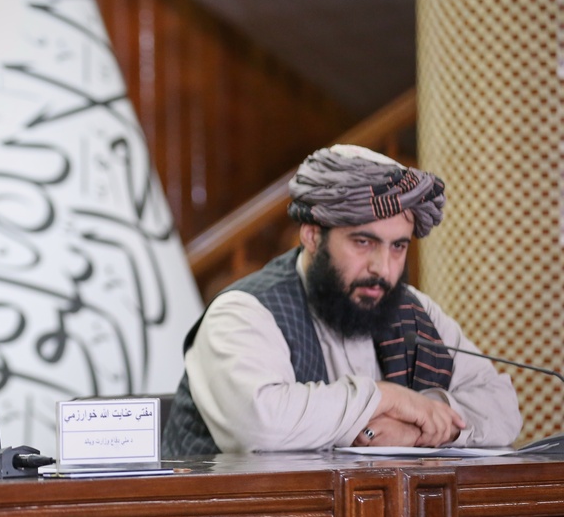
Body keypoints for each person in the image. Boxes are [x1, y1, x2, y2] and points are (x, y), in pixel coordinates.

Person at [163, 144, 522, 455]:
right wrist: (389, 398)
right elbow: (260, 424)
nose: (383, 268)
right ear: (312, 237)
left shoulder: (415, 311)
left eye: (398, 247)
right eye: (363, 242)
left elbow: (503, 407)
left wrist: (416, 429)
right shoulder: (244, 311)